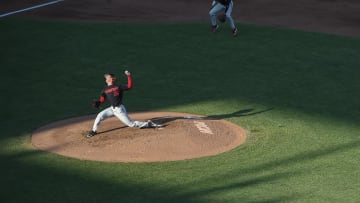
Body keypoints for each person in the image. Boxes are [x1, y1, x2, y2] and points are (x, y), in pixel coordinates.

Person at [87, 70, 161, 138]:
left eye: (107, 76)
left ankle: (148, 124)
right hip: (112, 109)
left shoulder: (118, 86)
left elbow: (129, 86)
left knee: (131, 124)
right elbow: (102, 99)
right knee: (99, 116)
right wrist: (98, 102)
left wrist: (128, 76)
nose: (106, 78)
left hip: (119, 109)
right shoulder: (104, 89)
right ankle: (94, 131)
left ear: (111, 78)